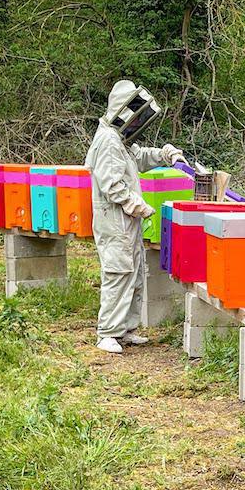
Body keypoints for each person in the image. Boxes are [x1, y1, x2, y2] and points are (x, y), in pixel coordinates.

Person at [85, 80, 184, 354]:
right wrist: (136, 205)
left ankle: (126, 330)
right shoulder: (107, 141)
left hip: (125, 221)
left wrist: (165, 155)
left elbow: (139, 157)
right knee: (118, 272)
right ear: (123, 111)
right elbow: (111, 184)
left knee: (135, 273)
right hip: (114, 220)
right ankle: (107, 332)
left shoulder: (119, 139)